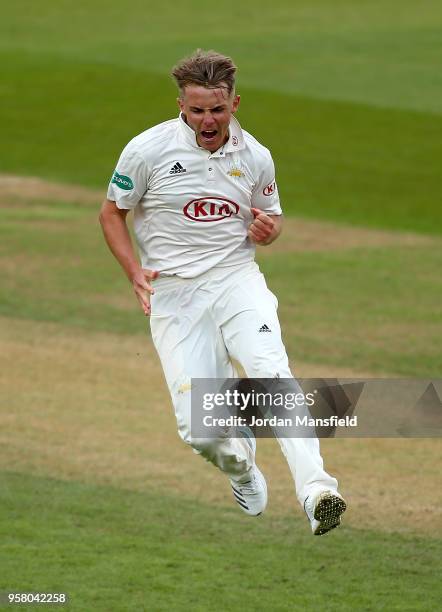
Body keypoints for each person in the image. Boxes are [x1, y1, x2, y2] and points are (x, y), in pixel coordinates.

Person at [99, 49, 346, 535]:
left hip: (236, 280)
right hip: (173, 294)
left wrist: (268, 232)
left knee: (271, 373)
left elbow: (269, 219)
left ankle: (318, 492)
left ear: (235, 103)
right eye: (196, 110)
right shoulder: (147, 151)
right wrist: (133, 270)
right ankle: (242, 469)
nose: (206, 120)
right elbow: (112, 213)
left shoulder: (255, 156)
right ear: (180, 106)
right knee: (201, 431)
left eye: (216, 108)